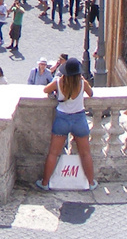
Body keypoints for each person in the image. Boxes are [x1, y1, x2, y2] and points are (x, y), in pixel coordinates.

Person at [37, 57, 96, 191]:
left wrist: (56, 92)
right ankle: (91, 182)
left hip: (62, 119)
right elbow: (91, 93)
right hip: (79, 119)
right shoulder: (82, 82)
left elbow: (45, 90)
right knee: (85, 153)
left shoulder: (59, 82)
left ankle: (45, 183)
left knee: (53, 153)